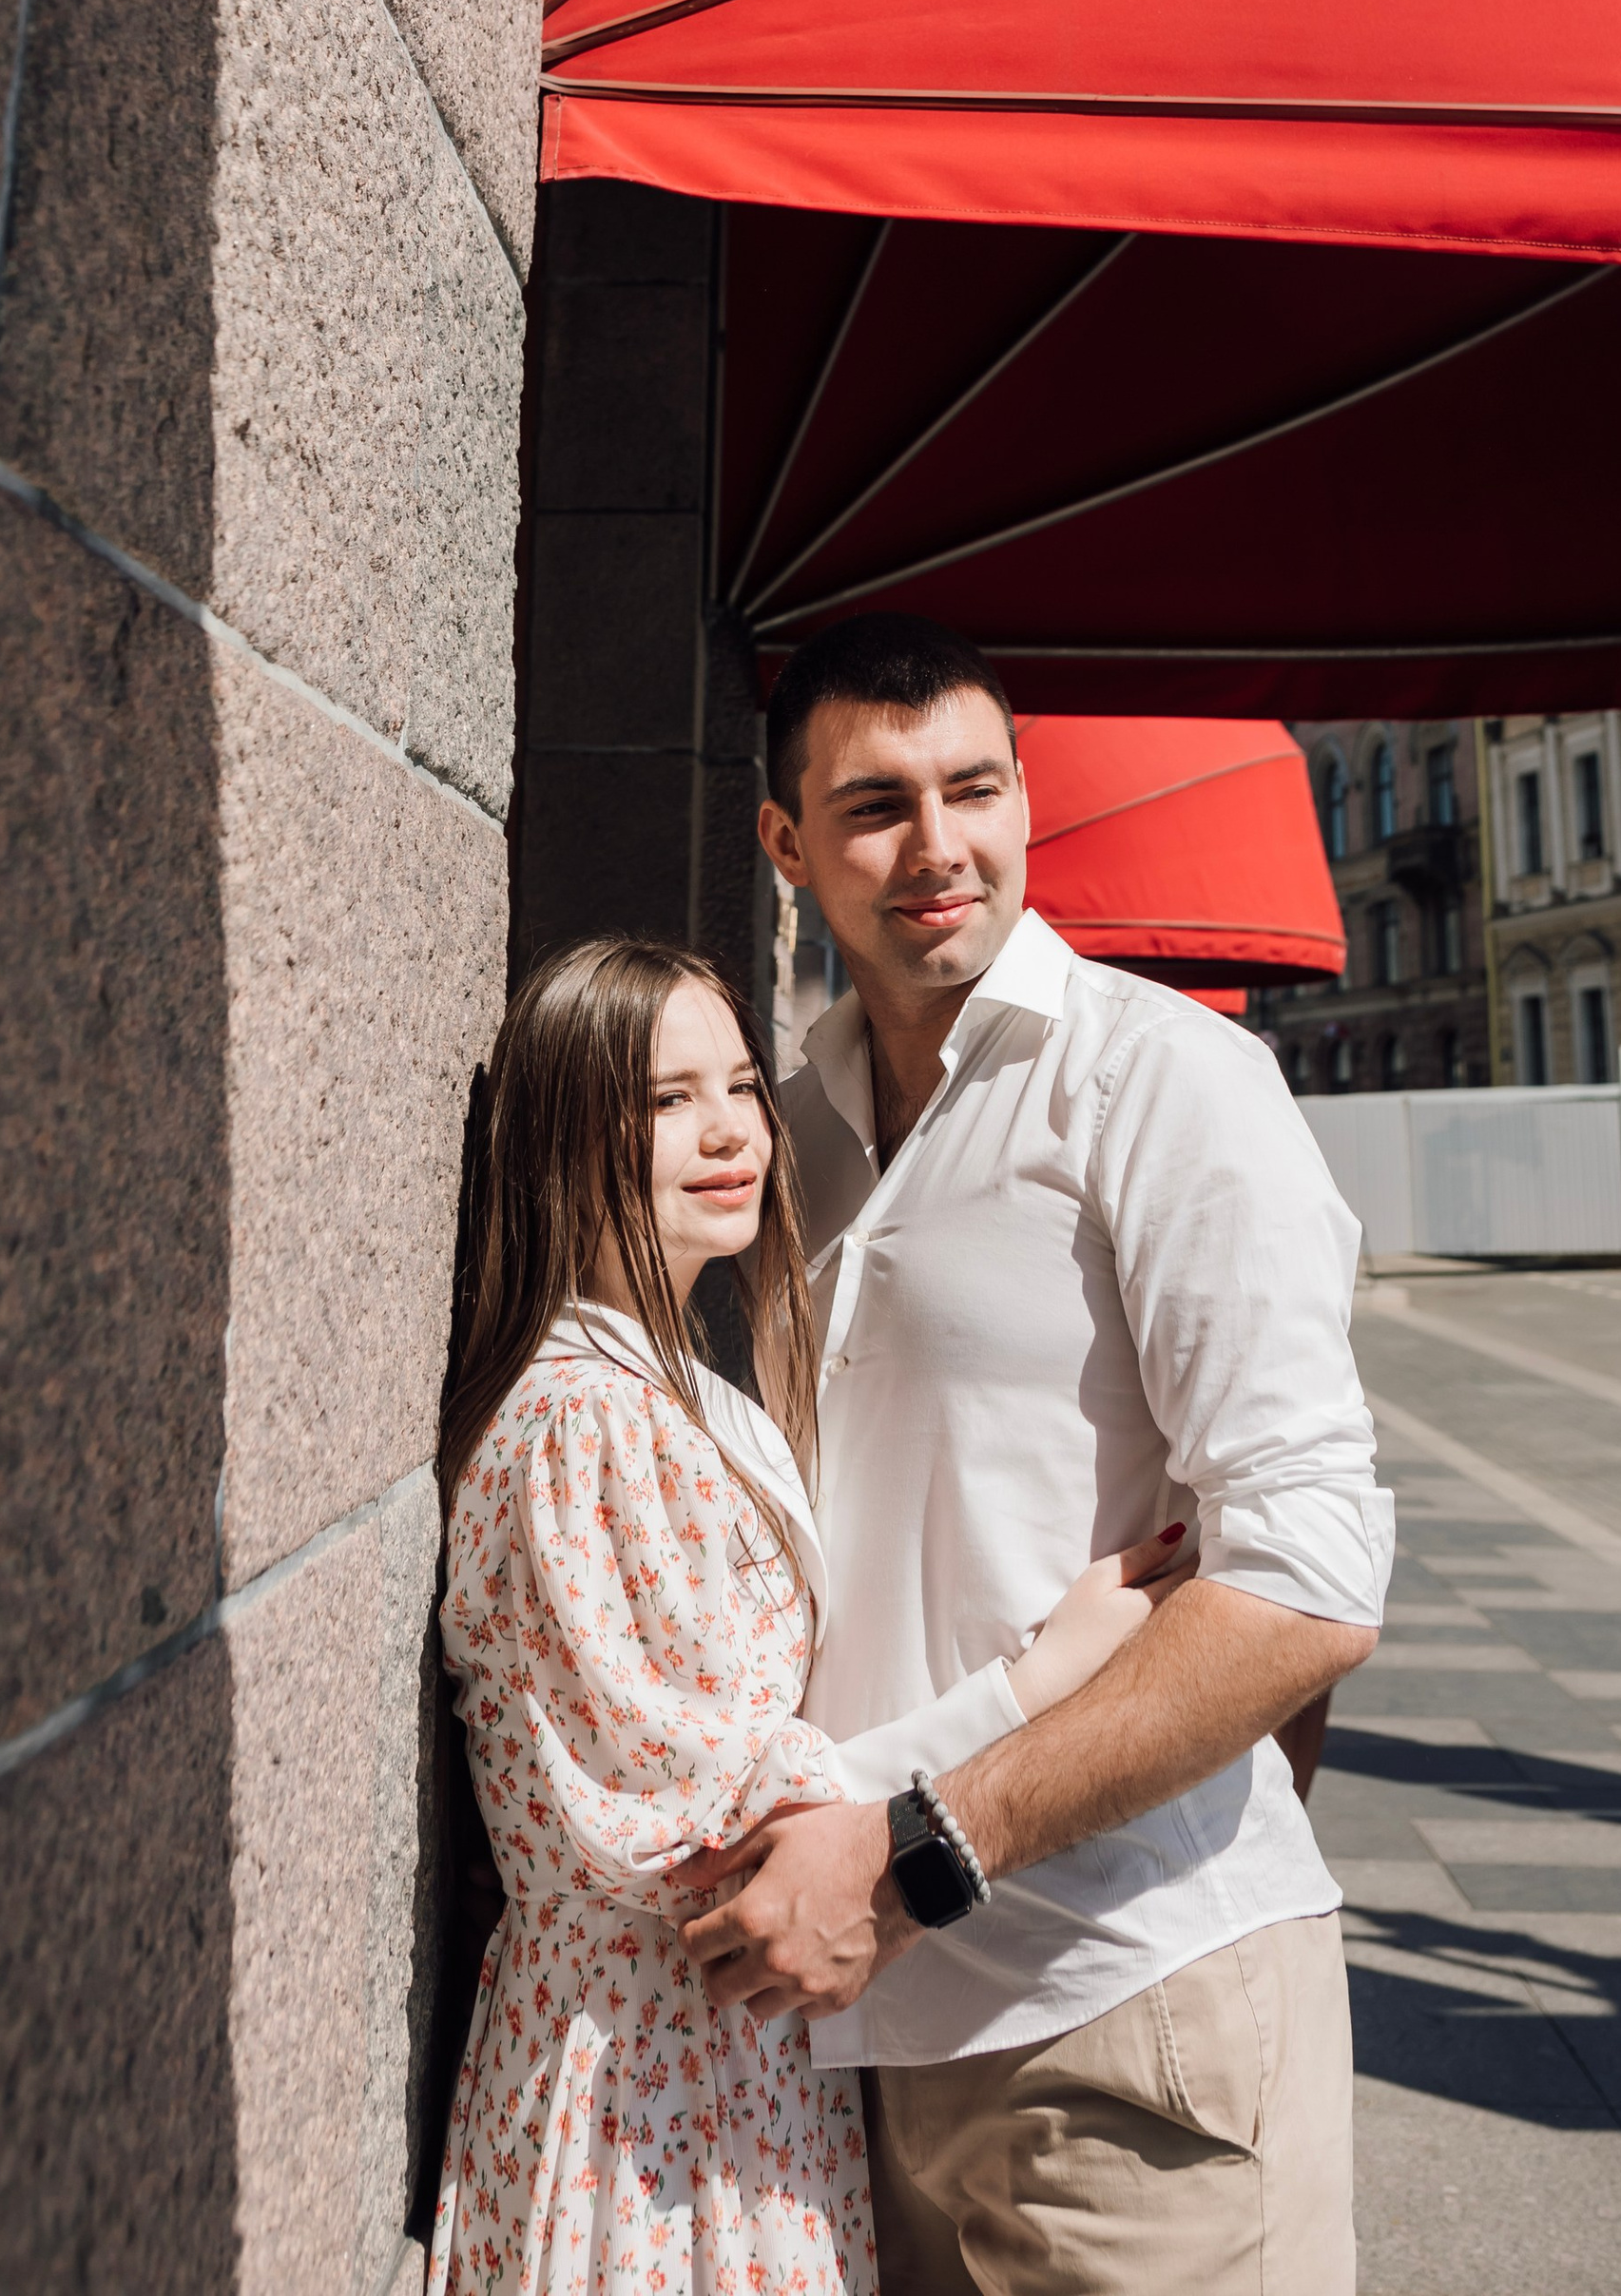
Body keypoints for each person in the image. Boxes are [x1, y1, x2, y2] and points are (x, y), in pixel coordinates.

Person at [675, 616, 1391, 2295]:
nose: (938, 848)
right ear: (785, 844)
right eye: (874, 806)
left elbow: (1305, 1586)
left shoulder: (1172, 1084)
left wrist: (928, 1849)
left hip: (1128, 2023)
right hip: (854, 2042)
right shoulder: (788, 1131)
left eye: (973, 788)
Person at [427, 936, 1187, 2296]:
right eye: (665, 1100)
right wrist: (1037, 1682)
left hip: (716, 2051)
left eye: (738, 1086)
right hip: (650, 2079)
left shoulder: (682, 1393)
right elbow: (722, 1821)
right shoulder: (585, 1423)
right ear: (560, 1129)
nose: (729, 1133)